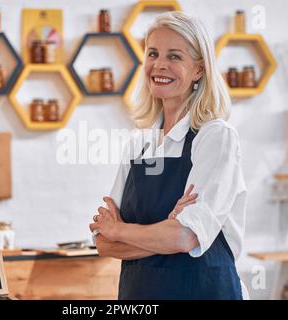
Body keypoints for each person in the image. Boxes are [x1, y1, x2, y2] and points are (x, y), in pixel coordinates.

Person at [89, 11, 248, 300]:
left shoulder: (215, 138)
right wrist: (167, 227)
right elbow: (103, 242)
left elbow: (185, 237)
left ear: (199, 69)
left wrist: (122, 229)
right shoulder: (139, 145)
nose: (159, 65)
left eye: (174, 56)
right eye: (153, 54)